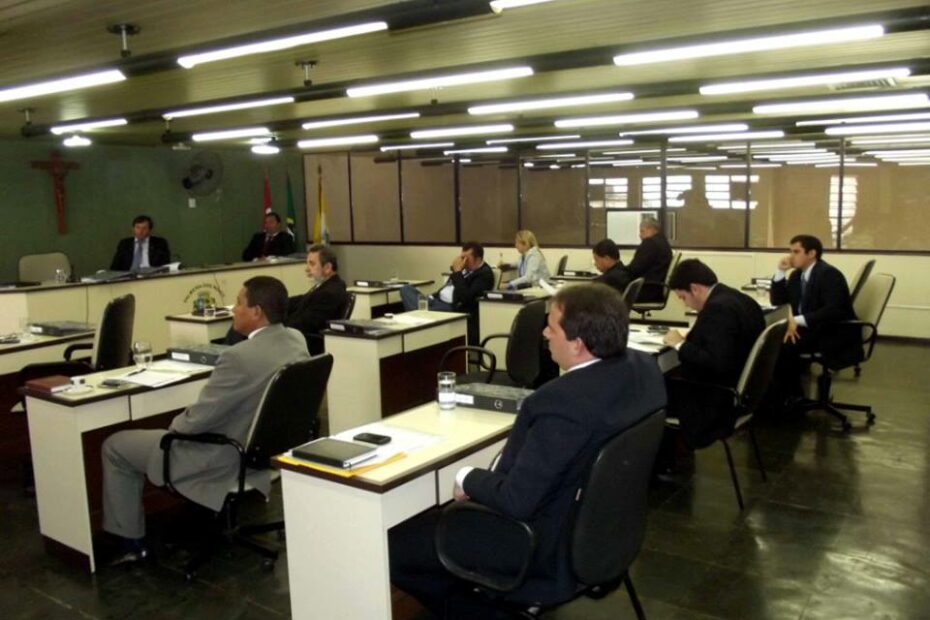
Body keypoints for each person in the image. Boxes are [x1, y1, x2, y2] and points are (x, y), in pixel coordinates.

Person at [389, 284, 667, 615]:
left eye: (551, 327)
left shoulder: (562, 401)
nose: (545, 334)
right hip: (606, 535)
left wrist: (466, 476)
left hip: (539, 547)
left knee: (395, 546)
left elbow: (516, 500)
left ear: (577, 344)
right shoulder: (643, 368)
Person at [100, 276, 309, 564]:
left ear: (256, 312)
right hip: (264, 453)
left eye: (238, 303)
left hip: (222, 456)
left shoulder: (238, 357)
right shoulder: (296, 340)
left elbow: (194, 423)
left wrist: (172, 426)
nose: (233, 309)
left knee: (115, 445)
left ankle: (131, 544)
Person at [662, 259, 765, 448]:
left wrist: (679, 344)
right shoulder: (738, 298)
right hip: (745, 392)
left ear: (695, 288)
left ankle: (665, 459)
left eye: (683, 297)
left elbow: (715, 362)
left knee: (652, 391)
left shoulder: (717, 309)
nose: (686, 305)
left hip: (717, 399)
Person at [770, 234, 858, 401]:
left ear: (812, 254)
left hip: (831, 332)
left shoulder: (829, 274)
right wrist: (780, 271)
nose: (790, 256)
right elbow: (779, 301)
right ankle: (786, 393)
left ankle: (792, 396)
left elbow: (834, 310)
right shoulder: (797, 275)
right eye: (790, 251)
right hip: (812, 327)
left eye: (796, 252)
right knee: (774, 340)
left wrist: (795, 320)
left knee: (782, 345)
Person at [399, 242, 494, 343]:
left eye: (466, 258)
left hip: (451, 307)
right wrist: (456, 271)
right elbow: (447, 286)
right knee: (405, 289)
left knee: (419, 310)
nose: (463, 261)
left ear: (478, 259)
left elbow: (466, 298)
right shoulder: (464, 269)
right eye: (462, 257)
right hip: (435, 299)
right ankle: (420, 315)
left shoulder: (484, 275)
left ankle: (418, 316)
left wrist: (457, 273)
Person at [284, 244, 349, 354]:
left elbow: (305, 323)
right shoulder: (325, 286)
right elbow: (301, 300)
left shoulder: (329, 293)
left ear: (327, 268)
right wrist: (277, 302)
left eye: (312, 264)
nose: (307, 269)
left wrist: (278, 326)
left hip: (307, 344)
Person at [623, 215, 672, 303]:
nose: (640, 235)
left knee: (609, 290)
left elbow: (634, 269)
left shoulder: (650, 243)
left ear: (651, 229)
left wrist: (619, 271)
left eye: (642, 231)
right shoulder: (663, 243)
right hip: (656, 289)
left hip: (645, 290)